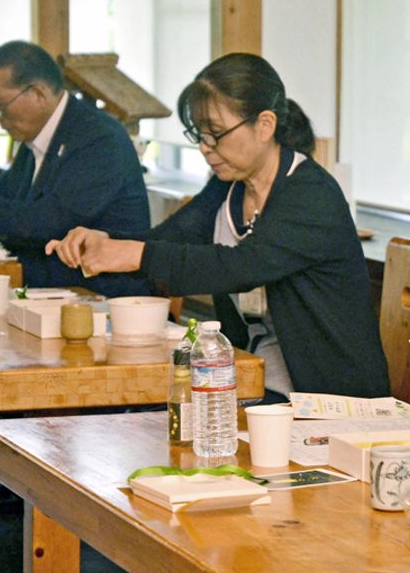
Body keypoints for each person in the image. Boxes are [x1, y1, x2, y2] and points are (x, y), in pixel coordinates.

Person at [46, 53, 390, 401]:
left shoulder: (310, 195)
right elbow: (165, 242)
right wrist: (104, 244)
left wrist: (133, 253)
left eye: (217, 134)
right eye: (199, 134)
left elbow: (239, 266)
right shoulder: (228, 187)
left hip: (325, 400)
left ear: (265, 125)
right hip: (250, 381)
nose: (205, 148)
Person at [0, 40, 151, 295]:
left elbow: (50, 223)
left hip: (99, 294)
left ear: (38, 94)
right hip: (44, 286)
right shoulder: (38, 135)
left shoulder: (99, 138)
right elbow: (3, 196)